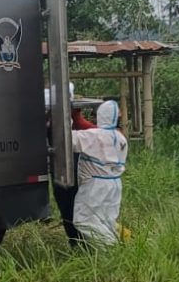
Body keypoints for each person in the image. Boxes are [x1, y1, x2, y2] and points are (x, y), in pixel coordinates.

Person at [71, 100, 127, 244]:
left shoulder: (94, 136)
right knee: (106, 221)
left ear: (101, 115)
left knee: (83, 220)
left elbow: (68, 139)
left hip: (96, 186)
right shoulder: (120, 137)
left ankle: (111, 246)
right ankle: (113, 254)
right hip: (114, 184)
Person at [51, 108, 94, 244]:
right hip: (63, 165)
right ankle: (77, 241)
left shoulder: (80, 130)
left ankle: (79, 242)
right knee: (68, 204)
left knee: (71, 205)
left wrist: (76, 116)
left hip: (70, 165)